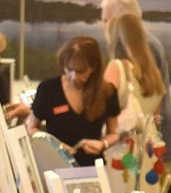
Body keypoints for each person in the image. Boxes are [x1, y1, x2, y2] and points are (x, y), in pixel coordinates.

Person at [101, 0, 171, 178]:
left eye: (107, 20)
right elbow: (155, 108)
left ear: (122, 21)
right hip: (152, 147)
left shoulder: (126, 61)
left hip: (128, 152)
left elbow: (104, 109)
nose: (103, 27)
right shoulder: (146, 53)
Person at [28, 36, 120, 166]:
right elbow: (32, 128)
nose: (74, 76)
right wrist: (57, 146)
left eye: (81, 71)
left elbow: (114, 133)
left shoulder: (107, 92)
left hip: (92, 166)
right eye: (69, 69)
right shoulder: (48, 89)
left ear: (93, 68)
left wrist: (103, 144)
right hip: (55, 165)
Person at [103, 14, 165, 136]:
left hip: (123, 145)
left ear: (115, 40)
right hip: (149, 144)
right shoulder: (154, 73)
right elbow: (156, 118)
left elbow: (102, 109)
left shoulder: (117, 67)